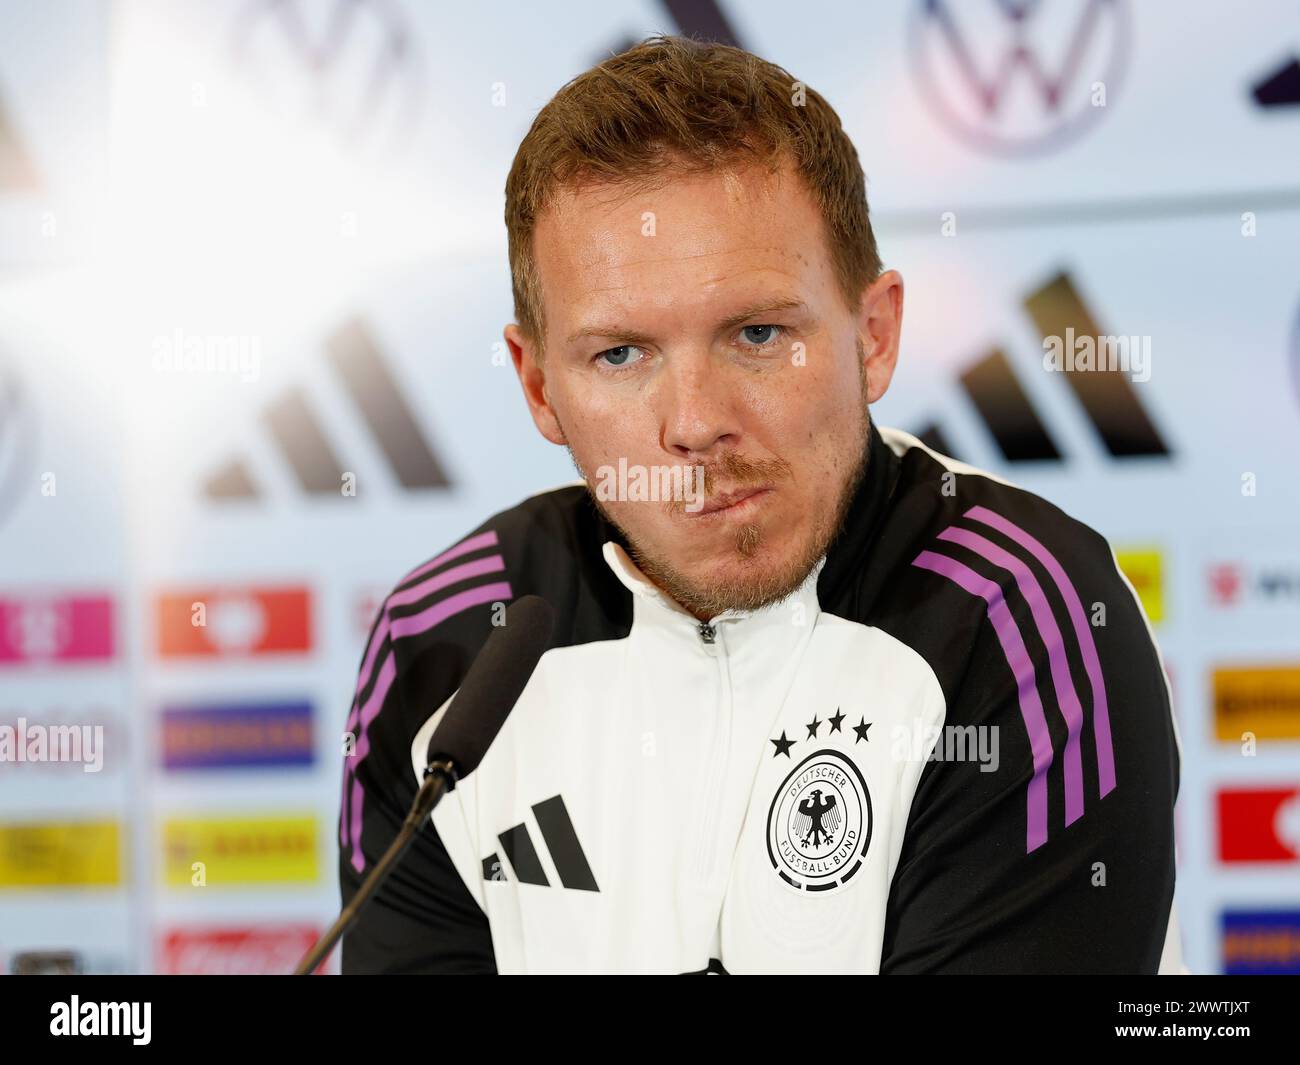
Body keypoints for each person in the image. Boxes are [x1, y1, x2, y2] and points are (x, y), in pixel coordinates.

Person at [337, 35, 1183, 974]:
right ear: (539, 386)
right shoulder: (446, 649)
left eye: (756, 333)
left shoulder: (1022, 617)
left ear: (874, 335)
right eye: (620, 354)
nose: (696, 424)